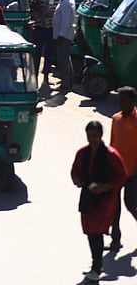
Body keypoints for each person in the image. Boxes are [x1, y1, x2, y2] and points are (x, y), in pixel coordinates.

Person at [73, 120, 128, 280]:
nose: (92, 140)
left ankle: (96, 268)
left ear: (101, 135)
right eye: (90, 136)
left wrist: (105, 187)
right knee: (89, 231)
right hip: (87, 196)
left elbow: (122, 176)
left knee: (96, 231)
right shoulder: (82, 153)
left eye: (95, 136)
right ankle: (96, 264)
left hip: (105, 199)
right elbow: (75, 171)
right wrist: (78, 180)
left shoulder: (111, 155)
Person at [111, 86, 137, 251]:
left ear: (132, 102)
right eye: (119, 100)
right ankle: (115, 239)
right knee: (114, 206)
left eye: (124, 101)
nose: (121, 104)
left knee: (130, 203)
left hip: (134, 171)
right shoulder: (116, 119)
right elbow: (112, 144)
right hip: (117, 170)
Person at [30, 0, 60, 85]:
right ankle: (34, 77)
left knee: (49, 54)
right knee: (37, 53)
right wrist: (42, 12)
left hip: (52, 28)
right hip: (40, 26)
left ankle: (46, 77)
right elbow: (32, 4)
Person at [53, 0, 77, 92]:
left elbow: (66, 22)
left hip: (64, 36)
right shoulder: (66, 0)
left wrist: (61, 36)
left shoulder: (66, 3)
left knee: (63, 60)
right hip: (65, 34)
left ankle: (65, 85)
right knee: (66, 59)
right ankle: (68, 81)